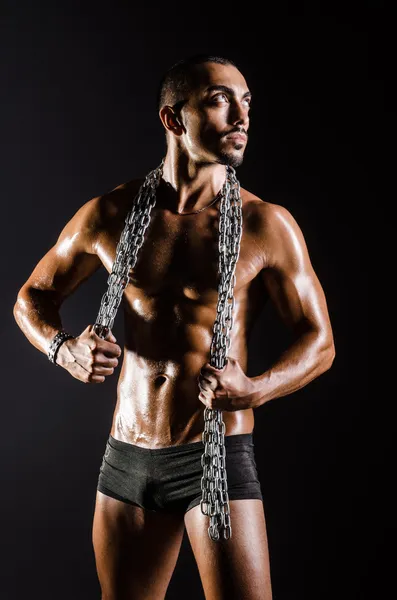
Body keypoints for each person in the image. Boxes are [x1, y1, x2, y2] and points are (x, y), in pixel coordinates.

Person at [13, 54, 335, 600]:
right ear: (173, 120)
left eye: (246, 101)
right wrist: (62, 349)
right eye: (219, 101)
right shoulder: (109, 215)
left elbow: (320, 342)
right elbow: (32, 298)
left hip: (212, 454)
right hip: (126, 458)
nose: (241, 116)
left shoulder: (266, 224)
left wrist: (255, 389)